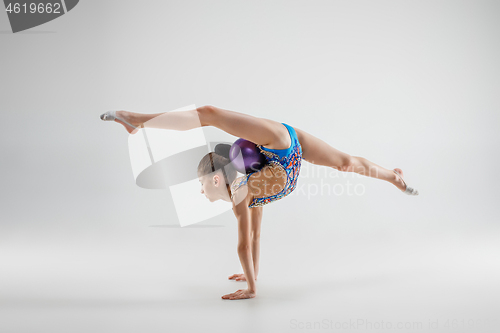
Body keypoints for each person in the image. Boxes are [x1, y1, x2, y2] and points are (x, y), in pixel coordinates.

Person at [100, 105, 419, 300]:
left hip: (279, 144)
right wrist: (250, 271)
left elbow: (242, 244)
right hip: (288, 148)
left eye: (201, 185)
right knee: (344, 162)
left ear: (215, 179)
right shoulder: (248, 189)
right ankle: (393, 176)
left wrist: (252, 287)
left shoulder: (240, 191)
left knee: (209, 113)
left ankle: (136, 120)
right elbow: (254, 238)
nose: (200, 192)